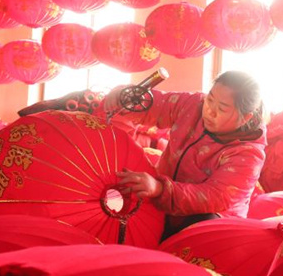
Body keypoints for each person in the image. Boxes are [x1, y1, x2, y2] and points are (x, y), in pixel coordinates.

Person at [103, 70, 267, 240]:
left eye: (222, 108)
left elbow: (214, 197)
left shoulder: (248, 154)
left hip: (210, 223)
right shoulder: (194, 104)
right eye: (210, 99)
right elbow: (158, 105)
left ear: (245, 118)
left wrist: (160, 189)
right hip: (161, 197)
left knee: (198, 232)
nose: (209, 111)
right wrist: (126, 97)